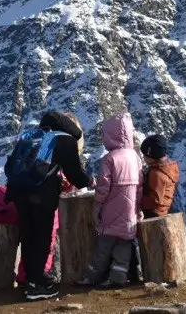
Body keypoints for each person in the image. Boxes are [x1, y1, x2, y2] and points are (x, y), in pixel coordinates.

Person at [5, 111, 92, 301]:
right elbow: (75, 174)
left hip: (18, 192)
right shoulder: (63, 140)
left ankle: (30, 278)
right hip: (41, 196)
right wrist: (90, 181)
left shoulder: (31, 137)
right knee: (42, 238)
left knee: (28, 235)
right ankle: (36, 286)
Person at [78, 111, 143, 288]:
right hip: (129, 211)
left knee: (104, 246)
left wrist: (98, 205)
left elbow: (103, 186)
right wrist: (137, 208)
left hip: (111, 208)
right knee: (124, 245)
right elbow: (140, 186)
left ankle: (92, 276)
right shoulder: (135, 157)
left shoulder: (110, 158)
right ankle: (118, 277)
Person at [139, 135, 180, 219]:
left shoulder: (157, 174)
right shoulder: (167, 169)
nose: (143, 157)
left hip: (153, 214)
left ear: (152, 155)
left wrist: (137, 201)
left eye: (145, 155)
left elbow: (155, 200)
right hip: (161, 212)